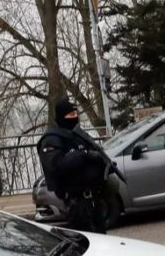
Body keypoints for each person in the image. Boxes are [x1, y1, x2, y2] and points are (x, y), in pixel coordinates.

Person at [37, 98, 111, 234]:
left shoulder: (78, 136)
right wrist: (83, 154)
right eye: (70, 115)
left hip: (94, 200)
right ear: (60, 117)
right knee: (85, 242)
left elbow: (94, 155)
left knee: (102, 241)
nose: (74, 118)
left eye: (75, 114)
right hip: (75, 202)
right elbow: (57, 165)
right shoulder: (51, 139)